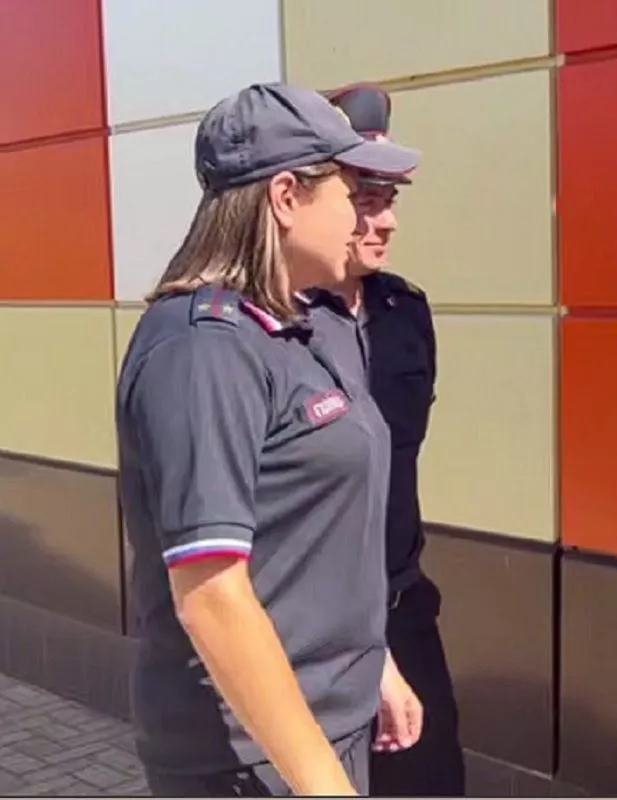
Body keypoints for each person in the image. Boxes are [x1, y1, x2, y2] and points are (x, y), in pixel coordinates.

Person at [117, 82, 426, 797]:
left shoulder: (305, 329)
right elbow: (212, 595)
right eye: (348, 190)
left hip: (327, 719)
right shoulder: (203, 351)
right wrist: (322, 784)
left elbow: (320, 535)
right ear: (286, 197)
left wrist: (374, 662)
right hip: (246, 755)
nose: (367, 215)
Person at [301, 83, 466, 797]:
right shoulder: (270, 327)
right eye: (365, 200)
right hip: (307, 630)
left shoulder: (405, 310)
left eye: (390, 198)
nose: (387, 220)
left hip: (401, 609)